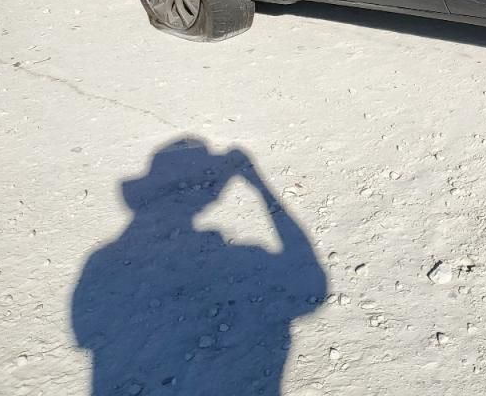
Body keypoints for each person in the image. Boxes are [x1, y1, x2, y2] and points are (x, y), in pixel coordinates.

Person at [72, 138, 326, 396]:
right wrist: (260, 186)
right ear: (210, 198)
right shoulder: (241, 259)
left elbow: (87, 336)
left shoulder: (102, 261)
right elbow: (313, 287)